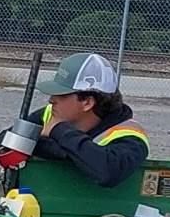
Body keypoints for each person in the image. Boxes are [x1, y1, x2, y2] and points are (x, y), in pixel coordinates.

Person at [28, 51, 150, 188]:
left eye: (61, 95)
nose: (51, 100)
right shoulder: (52, 113)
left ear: (87, 103)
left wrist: (58, 131)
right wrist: (65, 152)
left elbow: (109, 172)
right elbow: (3, 142)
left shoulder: (130, 135)